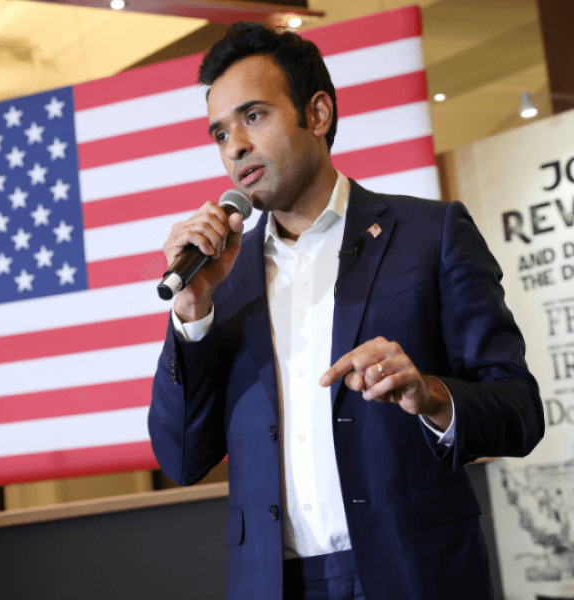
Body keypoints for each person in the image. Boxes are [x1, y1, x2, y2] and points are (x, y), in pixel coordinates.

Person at [149, 22, 543, 600]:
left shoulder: (430, 235)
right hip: (277, 584)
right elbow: (181, 458)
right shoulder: (220, 279)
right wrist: (191, 311)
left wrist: (431, 395)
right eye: (221, 132)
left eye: (253, 116)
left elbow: (520, 409)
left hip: (415, 574)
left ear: (317, 114)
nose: (235, 146)